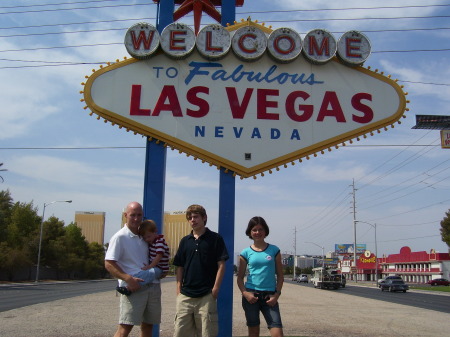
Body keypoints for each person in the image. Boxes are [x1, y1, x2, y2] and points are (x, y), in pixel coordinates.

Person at [104, 202, 162, 337]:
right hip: (133, 287)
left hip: (152, 286)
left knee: (148, 325)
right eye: (133, 215)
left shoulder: (145, 236)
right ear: (125, 215)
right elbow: (109, 263)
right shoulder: (120, 237)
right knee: (125, 327)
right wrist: (128, 279)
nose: (136, 218)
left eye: (139, 215)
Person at [173, 204, 229, 337]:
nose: (193, 219)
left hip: (206, 295)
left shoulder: (215, 239)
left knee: (207, 333)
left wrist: (215, 289)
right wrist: (178, 288)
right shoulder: (185, 241)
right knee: (180, 332)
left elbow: (221, 265)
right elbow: (179, 266)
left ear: (204, 218)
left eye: (196, 216)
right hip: (185, 296)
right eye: (190, 217)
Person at [237, 216, 284, 337]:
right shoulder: (245, 253)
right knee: (253, 332)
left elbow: (280, 275)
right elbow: (240, 278)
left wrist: (276, 294)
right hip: (251, 296)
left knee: (277, 332)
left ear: (265, 231)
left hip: (270, 297)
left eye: (260, 229)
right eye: (254, 230)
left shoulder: (274, 250)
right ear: (250, 232)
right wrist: (245, 293)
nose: (257, 232)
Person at [116, 219, 170, 296]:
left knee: (150, 273)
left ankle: (129, 286)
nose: (147, 239)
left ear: (155, 231)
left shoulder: (159, 241)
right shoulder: (152, 242)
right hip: (156, 267)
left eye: (148, 236)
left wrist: (150, 266)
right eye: (144, 238)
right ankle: (129, 287)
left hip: (160, 268)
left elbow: (159, 255)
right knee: (147, 274)